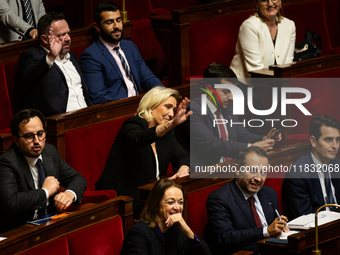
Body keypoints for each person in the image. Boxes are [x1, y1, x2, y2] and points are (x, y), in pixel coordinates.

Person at [96, 86, 191, 217]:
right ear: (152, 107)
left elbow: (183, 157)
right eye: (168, 107)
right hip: (125, 200)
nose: (171, 114)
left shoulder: (167, 134)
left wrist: (184, 168)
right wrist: (170, 125)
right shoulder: (132, 125)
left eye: (174, 110)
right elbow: (140, 138)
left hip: (151, 197)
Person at [176, 62, 281, 167]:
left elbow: (243, 136)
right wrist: (251, 147)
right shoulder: (193, 109)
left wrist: (264, 139)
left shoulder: (227, 110)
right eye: (226, 92)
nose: (231, 97)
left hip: (229, 168)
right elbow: (211, 144)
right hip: (204, 173)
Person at [0, 109, 87, 233]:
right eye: (29, 136)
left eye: (40, 134)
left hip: (50, 225)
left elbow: (78, 178)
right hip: (20, 232)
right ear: (17, 140)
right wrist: (45, 192)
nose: (36, 141)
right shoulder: (7, 162)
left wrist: (69, 194)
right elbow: (11, 202)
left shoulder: (49, 153)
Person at [206, 146, 289, 255]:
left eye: (263, 172)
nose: (259, 179)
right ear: (237, 169)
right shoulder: (219, 199)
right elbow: (226, 237)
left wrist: (281, 227)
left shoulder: (269, 193)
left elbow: (275, 226)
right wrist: (267, 231)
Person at [80, 1, 162, 104]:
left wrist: (165, 94)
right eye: (109, 22)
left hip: (141, 105)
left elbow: (148, 79)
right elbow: (99, 98)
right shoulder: (91, 56)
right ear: (97, 27)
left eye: (118, 20)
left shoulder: (130, 46)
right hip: (120, 110)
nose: (116, 26)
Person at [16, 12, 93, 117]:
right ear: (44, 39)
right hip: (59, 123)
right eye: (61, 35)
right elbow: (27, 79)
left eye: (68, 33)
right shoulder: (32, 56)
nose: (68, 39)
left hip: (87, 115)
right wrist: (51, 57)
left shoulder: (72, 56)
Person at [120, 179, 212, 255]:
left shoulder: (177, 230)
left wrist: (188, 231)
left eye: (180, 202)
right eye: (170, 202)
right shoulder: (138, 234)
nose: (177, 207)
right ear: (156, 205)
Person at [282, 115, 340, 220]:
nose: (335, 146)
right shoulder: (297, 174)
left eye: (337, 139)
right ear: (313, 141)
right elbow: (305, 219)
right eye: (328, 140)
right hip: (316, 230)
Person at [230, 0, 295, 81]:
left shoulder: (289, 25)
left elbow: (287, 65)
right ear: (257, 4)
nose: (270, 4)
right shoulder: (249, 26)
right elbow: (256, 70)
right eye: (264, 0)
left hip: (275, 83)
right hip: (245, 83)